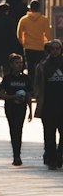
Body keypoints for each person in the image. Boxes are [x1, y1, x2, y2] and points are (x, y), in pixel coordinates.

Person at [0, 53, 33, 166]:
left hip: (21, 107)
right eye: (16, 63)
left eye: (20, 63)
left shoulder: (26, 79)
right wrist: (13, 97)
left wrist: (30, 111)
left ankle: (17, 155)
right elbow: (1, 94)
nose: (19, 65)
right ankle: (15, 153)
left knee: (18, 129)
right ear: (11, 64)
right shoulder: (7, 78)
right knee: (13, 129)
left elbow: (29, 95)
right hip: (10, 107)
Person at [34, 39, 63, 169]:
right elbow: (38, 85)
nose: (55, 51)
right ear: (49, 50)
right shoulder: (43, 66)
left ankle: (60, 156)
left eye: (58, 49)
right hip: (48, 105)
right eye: (53, 49)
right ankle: (50, 158)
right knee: (49, 134)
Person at [0, 1, 23, 95]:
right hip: (7, 50)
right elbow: (14, 37)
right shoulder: (11, 21)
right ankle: (6, 90)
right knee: (7, 71)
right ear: (7, 11)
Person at [17, 0, 52, 78]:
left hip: (28, 47)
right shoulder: (44, 20)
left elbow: (19, 34)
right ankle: (39, 84)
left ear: (30, 8)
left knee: (30, 67)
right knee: (40, 67)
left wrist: (23, 43)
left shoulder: (23, 19)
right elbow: (48, 35)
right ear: (39, 8)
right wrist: (46, 44)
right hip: (40, 47)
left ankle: (31, 84)